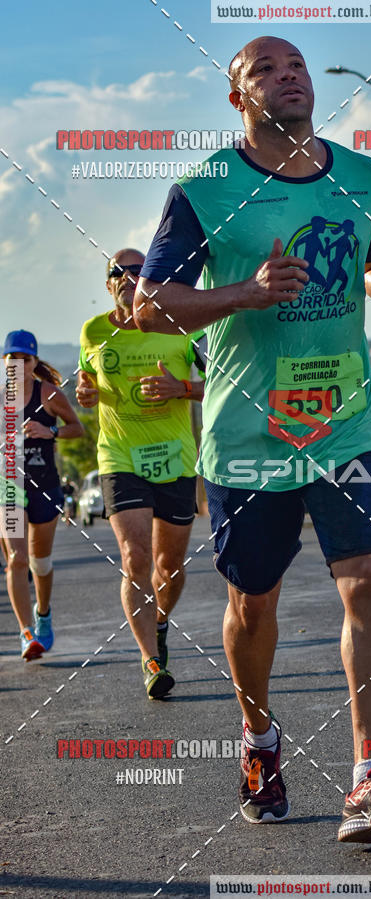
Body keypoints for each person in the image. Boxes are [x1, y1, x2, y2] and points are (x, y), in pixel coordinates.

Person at [134, 36, 371, 840]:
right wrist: (245, 292)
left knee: (368, 578)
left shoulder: (363, 177)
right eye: (263, 69)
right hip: (249, 434)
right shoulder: (205, 188)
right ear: (237, 99)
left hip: (349, 424)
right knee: (250, 603)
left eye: (295, 64)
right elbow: (152, 304)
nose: (287, 75)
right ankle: (259, 737)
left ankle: (370, 776)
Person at [77, 248, 205, 700]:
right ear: (108, 283)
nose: (129, 276)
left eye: (139, 270)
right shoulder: (93, 331)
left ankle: (161, 621)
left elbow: (229, 380)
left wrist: (182, 388)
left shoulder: (179, 326)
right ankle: (151, 659)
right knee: (135, 558)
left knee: (168, 567)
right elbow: (86, 379)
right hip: (120, 457)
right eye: (119, 271)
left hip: (175, 459)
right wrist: (85, 391)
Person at [1, 330, 84, 660]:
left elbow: (77, 428)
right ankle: (26, 633)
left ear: (34, 363)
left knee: (40, 562)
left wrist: (49, 431)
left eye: (25, 359)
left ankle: (44, 613)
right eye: (12, 359)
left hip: (45, 486)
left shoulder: (48, 394)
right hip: (10, 486)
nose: (18, 365)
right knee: (16, 560)